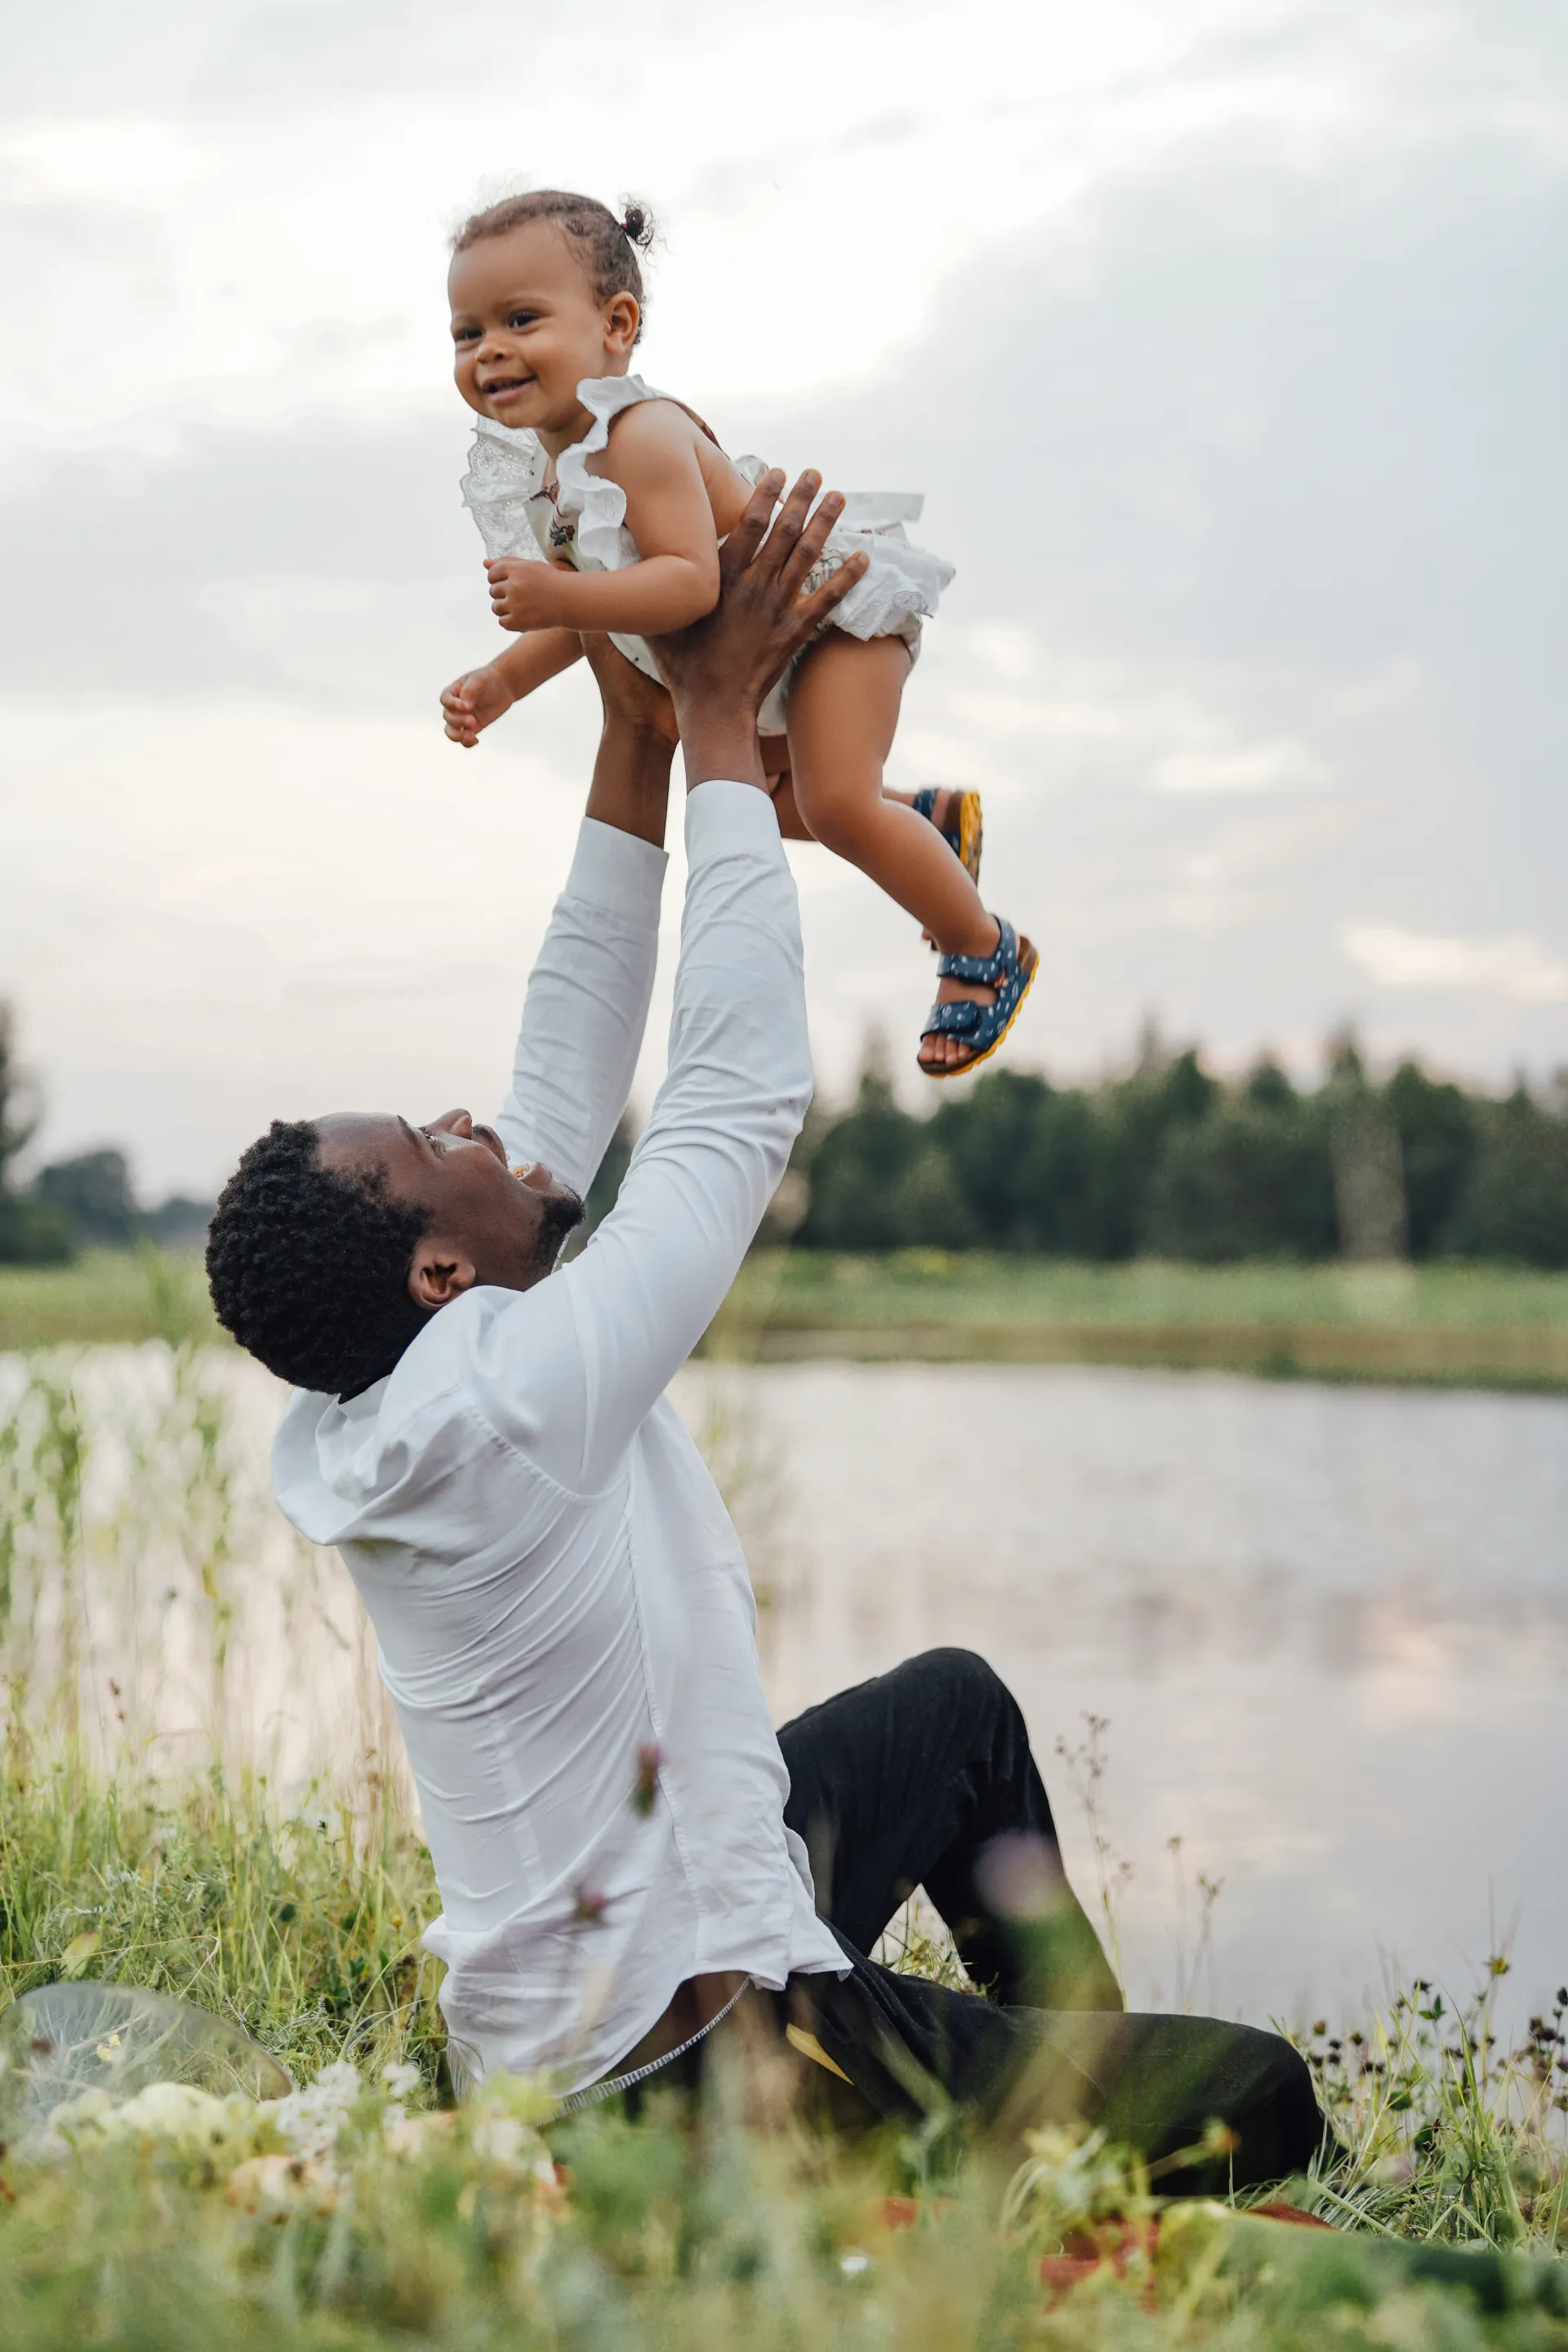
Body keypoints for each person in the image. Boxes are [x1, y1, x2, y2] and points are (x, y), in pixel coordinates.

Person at [206, 470, 1321, 2190]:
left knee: (949, 1711)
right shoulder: (511, 1395)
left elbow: (568, 1050)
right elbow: (730, 1104)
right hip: (703, 2065)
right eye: (438, 1149)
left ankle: (1050, 2095)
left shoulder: (418, 1380)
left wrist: (635, 726)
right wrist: (725, 717)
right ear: (439, 1269)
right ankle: (1054, 2176)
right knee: (1265, 2092)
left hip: (637, 1961)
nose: (477, 1123)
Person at [438, 186, 1031, 1081]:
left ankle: (984, 947)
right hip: (761, 654)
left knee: (835, 806)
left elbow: (684, 582)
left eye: (521, 319)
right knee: (775, 807)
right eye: (466, 332)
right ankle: (926, 820)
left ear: (617, 323)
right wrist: (504, 679)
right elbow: (599, 601)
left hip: (832, 623)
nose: (491, 351)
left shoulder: (639, 436)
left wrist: (557, 599)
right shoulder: (553, 471)